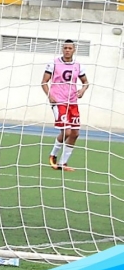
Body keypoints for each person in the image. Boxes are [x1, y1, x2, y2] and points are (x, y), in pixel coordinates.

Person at [41, 39, 89, 171]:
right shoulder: (54, 63)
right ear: (62, 49)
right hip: (58, 102)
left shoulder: (78, 65)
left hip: (72, 102)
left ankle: (63, 163)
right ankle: (53, 155)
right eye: (65, 48)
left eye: (70, 48)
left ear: (74, 50)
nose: (67, 50)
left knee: (75, 133)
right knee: (67, 131)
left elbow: (86, 82)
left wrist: (82, 90)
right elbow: (44, 82)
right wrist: (50, 95)